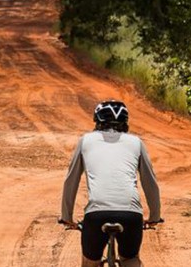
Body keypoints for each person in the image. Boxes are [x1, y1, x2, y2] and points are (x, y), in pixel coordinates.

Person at [60, 100, 163, 267]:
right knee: (130, 258)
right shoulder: (136, 142)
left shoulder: (85, 141)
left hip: (96, 214)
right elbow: (150, 181)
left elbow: (71, 180)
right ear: (125, 123)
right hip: (130, 215)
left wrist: (66, 217)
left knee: (89, 262)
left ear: (97, 122)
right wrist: (154, 216)